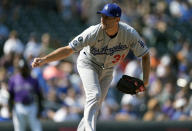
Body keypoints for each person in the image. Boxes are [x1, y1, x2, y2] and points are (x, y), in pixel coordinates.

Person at [32, 3, 150, 131]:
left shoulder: (129, 34)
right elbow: (68, 49)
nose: (103, 20)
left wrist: (146, 81)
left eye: (107, 17)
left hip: (109, 69)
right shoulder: (93, 32)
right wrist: (45, 59)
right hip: (88, 64)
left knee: (96, 106)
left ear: (117, 19)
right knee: (94, 95)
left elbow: (145, 55)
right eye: (102, 16)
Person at [8, 58, 43, 131]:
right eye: (21, 68)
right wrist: (10, 110)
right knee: (19, 129)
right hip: (19, 107)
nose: (23, 70)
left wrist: (40, 110)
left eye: (24, 68)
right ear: (19, 69)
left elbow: (39, 95)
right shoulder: (13, 79)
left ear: (27, 68)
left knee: (37, 129)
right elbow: (10, 96)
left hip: (32, 106)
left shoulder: (33, 79)